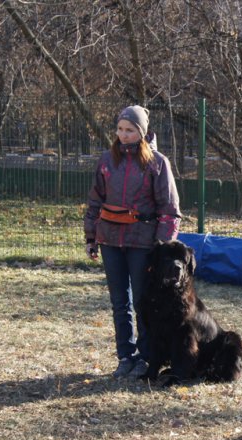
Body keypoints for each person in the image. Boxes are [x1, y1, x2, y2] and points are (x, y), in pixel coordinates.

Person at [84, 105, 182, 378]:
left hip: (143, 243)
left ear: (142, 132)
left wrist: (162, 248)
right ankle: (125, 356)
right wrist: (91, 237)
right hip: (110, 240)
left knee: (143, 302)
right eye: (120, 129)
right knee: (119, 302)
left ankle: (146, 357)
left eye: (129, 130)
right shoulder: (106, 161)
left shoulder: (157, 163)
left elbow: (170, 210)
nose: (123, 135)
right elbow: (95, 202)